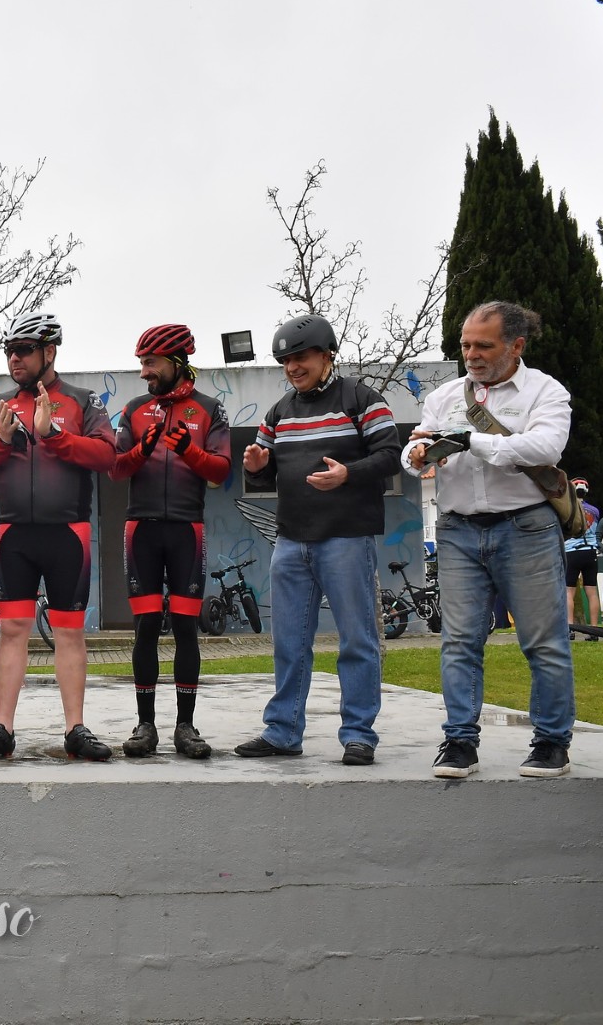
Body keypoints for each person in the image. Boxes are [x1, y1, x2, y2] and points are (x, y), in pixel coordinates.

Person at [404, 300, 576, 778]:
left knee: (543, 642)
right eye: (465, 345)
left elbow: (545, 447)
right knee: (458, 642)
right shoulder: (444, 396)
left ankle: (551, 743)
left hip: (527, 528)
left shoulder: (545, 391)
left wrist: (468, 440)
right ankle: (459, 742)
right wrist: (417, 453)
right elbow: (417, 446)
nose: (471, 355)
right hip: (457, 530)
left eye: (484, 345)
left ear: (516, 345)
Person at [234, 316, 401, 765]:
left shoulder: (361, 398)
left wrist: (349, 474)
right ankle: (283, 731)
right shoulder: (279, 412)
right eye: (285, 361)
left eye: (301, 357)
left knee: (357, 640)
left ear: (327, 354)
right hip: (290, 541)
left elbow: (391, 455)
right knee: (288, 643)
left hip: (347, 538)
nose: (292, 367)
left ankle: (359, 734)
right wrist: (256, 467)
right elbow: (266, 470)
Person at [0, 313, 117, 762]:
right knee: (12, 630)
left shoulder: (84, 401)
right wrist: (0, 441)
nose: (14, 359)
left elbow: (107, 455)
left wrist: (54, 436)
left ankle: (75, 729)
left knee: (69, 632)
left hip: (68, 532)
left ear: (49, 352)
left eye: (24, 350)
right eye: (9, 351)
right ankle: (2, 728)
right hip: (14, 534)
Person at [108, 324, 230, 759]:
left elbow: (220, 471)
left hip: (185, 530)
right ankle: (145, 725)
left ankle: (185, 726)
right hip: (141, 530)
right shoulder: (134, 409)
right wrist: (141, 450)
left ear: (177, 362)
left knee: (184, 627)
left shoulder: (209, 409)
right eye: (142, 363)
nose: (144, 372)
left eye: (151, 363)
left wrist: (188, 451)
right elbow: (115, 469)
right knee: (145, 627)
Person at [564, 477, 601, 637]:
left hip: (571, 551)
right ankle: (594, 630)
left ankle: (569, 628)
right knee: (591, 591)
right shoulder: (594, 510)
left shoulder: (567, 509)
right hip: (590, 551)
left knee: (568, 592)